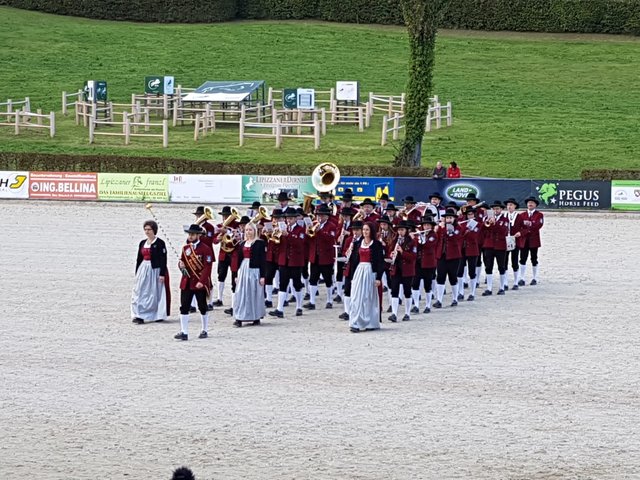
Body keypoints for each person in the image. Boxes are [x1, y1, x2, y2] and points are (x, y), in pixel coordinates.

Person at [175, 224, 214, 341]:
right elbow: (182, 262)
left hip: (199, 282)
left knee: (202, 306)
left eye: (192, 234)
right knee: (184, 307)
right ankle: (184, 331)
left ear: (198, 235)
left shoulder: (206, 249)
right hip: (187, 282)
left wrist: (202, 281)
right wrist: (180, 265)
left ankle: (204, 329)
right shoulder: (185, 248)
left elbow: (208, 267)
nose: (190, 236)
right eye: (189, 234)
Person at [131, 220, 170, 324]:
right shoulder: (142, 243)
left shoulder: (160, 243)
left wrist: (162, 274)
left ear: (154, 230)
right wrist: (137, 272)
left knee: (154, 292)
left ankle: (157, 314)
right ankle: (139, 315)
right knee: (140, 291)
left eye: (149, 229)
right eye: (145, 229)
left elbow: (163, 259)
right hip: (144, 268)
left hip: (155, 270)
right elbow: (139, 258)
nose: (147, 231)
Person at [348, 222, 385, 332]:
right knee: (356, 298)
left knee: (368, 297)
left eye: (367, 230)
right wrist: (352, 277)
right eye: (363, 230)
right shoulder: (358, 243)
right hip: (359, 271)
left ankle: (370, 323)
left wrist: (378, 277)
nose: (365, 232)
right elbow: (354, 261)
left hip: (370, 271)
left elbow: (380, 262)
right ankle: (355, 322)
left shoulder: (377, 245)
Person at [269, 211, 306, 318]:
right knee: (283, 284)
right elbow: (276, 244)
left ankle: (299, 306)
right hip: (283, 260)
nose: (288, 221)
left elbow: (300, 243)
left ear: (295, 219)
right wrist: (273, 234)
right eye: (287, 219)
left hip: (296, 261)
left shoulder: (301, 229)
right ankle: (279, 309)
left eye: (290, 219)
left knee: (297, 284)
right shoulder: (282, 229)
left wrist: (288, 235)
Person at [233, 222, 267, 327]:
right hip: (244, 269)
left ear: (254, 231)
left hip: (254, 270)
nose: (248, 232)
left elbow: (263, 260)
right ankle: (239, 317)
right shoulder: (242, 243)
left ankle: (255, 316)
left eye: (250, 230)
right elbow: (239, 259)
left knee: (254, 293)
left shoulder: (260, 243)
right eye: (247, 230)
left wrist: (263, 276)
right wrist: (236, 274)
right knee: (241, 293)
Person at [304, 205, 337, 310]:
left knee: (328, 279)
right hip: (315, 256)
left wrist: (320, 232)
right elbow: (308, 241)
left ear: (327, 216)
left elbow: (331, 239)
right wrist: (307, 234)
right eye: (318, 215)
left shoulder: (331, 226)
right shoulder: (312, 224)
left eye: (322, 216)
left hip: (326, 256)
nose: (319, 218)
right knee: (313, 279)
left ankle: (329, 300)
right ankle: (312, 301)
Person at [434, 208, 465, 308]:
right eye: (447, 218)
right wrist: (437, 229)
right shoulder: (441, 227)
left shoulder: (458, 228)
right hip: (441, 255)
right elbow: (437, 239)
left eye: (450, 218)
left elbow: (453, 237)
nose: (448, 220)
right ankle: (439, 300)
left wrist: (444, 228)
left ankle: (455, 298)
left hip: (453, 256)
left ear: (454, 219)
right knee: (440, 277)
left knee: (452, 277)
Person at [387, 220, 417, 322]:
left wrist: (402, 252)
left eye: (402, 230)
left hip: (407, 270)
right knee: (394, 290)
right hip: (396, 269)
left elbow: (413, 257)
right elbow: (389, 252)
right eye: (399, 230)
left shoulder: (412, 242)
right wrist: (391, 254)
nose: (400, 232)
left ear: (406, 230)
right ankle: (394, 314)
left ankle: (407, 313)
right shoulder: (394, 240)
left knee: (407, 291)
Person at [412, 216, 438, 313]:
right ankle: (416, 305)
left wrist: (421, 237)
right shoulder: (418, 235)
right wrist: (413, 237)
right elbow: (415, 245)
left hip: (429, 263)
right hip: (418, 263)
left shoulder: (434, 235)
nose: (426, 227)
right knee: (415, 284)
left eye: (428, 225)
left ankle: (428, 305)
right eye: (424, 225)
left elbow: (427, 245)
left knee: (427, 285)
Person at [518, 196, 544, 286]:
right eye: (529, 202)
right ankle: (522, 278)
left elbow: (538, 225)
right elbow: (520, 226)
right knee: (522, 259)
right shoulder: (522, 215)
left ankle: (535, 277)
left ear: (535, 205)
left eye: (532, 202)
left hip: (533, 239)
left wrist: (529, 224)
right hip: (524, 239)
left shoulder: (539, 215)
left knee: (534, 258)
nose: (530, 204)